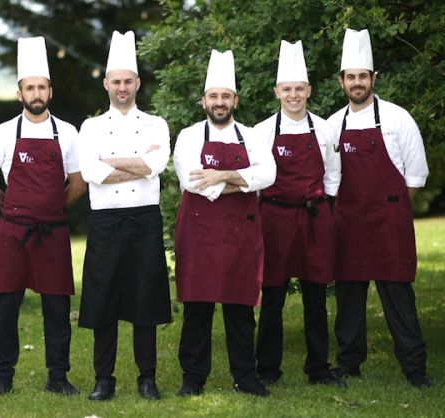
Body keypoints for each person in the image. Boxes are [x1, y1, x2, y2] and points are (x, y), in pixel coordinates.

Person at [0, 36, 86, 396]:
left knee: (56, 307)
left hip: (52, 232)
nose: (36, 93)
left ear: (50, 91)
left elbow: (78, 183)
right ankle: (2, 376)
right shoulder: (4, 133)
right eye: (29, 88)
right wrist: (17, 210)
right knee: (6, 306)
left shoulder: (67, 133)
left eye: (41, 87)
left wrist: (50, 209)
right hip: (13, 234)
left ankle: (58, 376)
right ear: (19, 93)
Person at [327, 29, 431, 388]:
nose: (357, 83)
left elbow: (415, 177)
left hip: (388, 224)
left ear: (374, 79)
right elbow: (329, 179)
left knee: (399, 296)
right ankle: (348, 363)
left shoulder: (398, 119)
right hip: (349, 224)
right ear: (341, 81)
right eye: (351, 77)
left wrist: (390, 210)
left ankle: (415, 368)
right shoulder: (332, 125)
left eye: (363, 76)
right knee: (349, 299)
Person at [173, 49, 276, 397]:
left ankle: (246, 376)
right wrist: (241, 180)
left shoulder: (252, 136)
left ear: (236, 99)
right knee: (197, 307)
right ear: (204, 100)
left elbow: (268, 174)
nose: (220, 102)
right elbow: (193, 183)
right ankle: (193, 377)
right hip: (200, 232)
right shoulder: (188, 136)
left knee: (240, 306)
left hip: (240, 234)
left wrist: (221, 174)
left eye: (225, 96)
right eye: (214, 96)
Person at [78, 31, 172, 401]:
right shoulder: (91, 127)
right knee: (103, 299)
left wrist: (109, 162)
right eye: (115, 81)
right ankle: (104, 379)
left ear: (137, 83)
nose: (121, 87)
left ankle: (147, 378)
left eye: (127, 81)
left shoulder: (156, 124)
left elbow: (157, 164)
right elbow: (90, 172)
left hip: (144, 220)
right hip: (105, 221)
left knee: (145, 298)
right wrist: (138, 164)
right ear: (106, 84)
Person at [252, 40, 345, 388]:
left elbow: (333, 174)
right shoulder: (262, 132)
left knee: (315, 296)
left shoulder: (324, 129)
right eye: (287, 89)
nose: (293, 95)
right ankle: (268, 369)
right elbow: (257, 179)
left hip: (313, 219)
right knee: (273, 297)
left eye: (299, 89)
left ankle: (319, 368)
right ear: (277, 91)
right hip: (274, 220)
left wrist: (323, 208)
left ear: (309, 90)